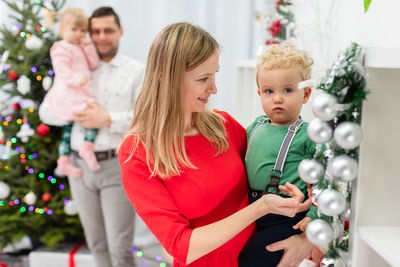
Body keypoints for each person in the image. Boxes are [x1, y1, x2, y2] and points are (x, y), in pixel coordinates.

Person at [118, 22, 314, 267]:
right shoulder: (137, 152)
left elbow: (280, 168)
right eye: (203, 79)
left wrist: (307, 239)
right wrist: (260, 208)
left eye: (215, 75)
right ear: (166, 78)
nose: (214, 88)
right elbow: (181, 246)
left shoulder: (223, 126)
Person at [68, 7, 145, 267]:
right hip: (78, 167)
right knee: (97, 245)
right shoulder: (76, 69)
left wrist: (108, 119)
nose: (101, 37)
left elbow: (145, 120)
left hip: (117, 167)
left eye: (108, 31)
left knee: (119, 248)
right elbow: (47, 112)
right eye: (96, 31)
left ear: (120, 32)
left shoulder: (137, 71)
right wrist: (68, 110)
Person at [238, 43, 318, 267]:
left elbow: (323, 178)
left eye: (287, 90)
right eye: (269, 91)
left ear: (306, 94)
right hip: (251, 208)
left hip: (285, 216)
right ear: (260, 93)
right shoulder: (256, 125)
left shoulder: (307, 134)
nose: (277, 99)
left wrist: (313, 215)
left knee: (252, 260)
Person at [47, 8, 101, 178]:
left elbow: (93, 64)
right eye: (74, 29)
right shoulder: (60, 47)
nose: (79, 34)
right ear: (62, 29)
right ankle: (85, 148)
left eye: (82, 30)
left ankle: (67, 160)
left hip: (81, 91)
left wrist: (88, 46)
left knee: (70, 129)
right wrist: (77, 79)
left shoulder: (80, 46)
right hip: (70, 92)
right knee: (89, 116)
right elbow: (62, 70)